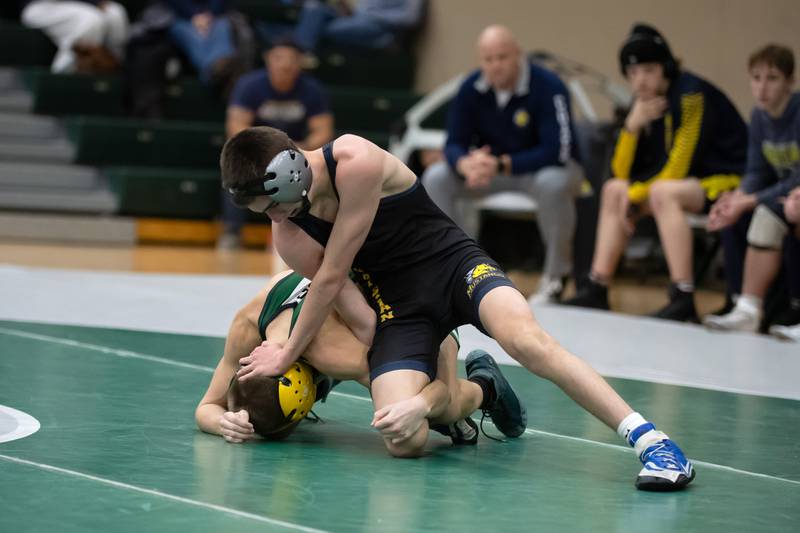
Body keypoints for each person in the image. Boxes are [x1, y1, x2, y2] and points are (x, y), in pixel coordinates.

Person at [220, 126, 695, 491]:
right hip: (397, 310)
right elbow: (357, 311)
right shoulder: (291, 235)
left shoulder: (355, 160)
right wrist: (417, 386)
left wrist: (283, 357)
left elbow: (328, 277)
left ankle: (653, 442)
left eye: (272, 205)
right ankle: (482, 389)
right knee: (401, 439)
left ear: (291, 175)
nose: (272, 218)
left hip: (452, 267)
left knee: (527, 341)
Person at [196, 269, 522, 451]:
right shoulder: (249, 325)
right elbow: (207, 407)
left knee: (427, 420)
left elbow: (437, 388)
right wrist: (222, 422)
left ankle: (486, 386)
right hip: (358, 322)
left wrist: (421, 407)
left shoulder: (338, 354)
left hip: (418, 318)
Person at [564, 23, 748, 322]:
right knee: (614, 190)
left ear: (665, 67)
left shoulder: (691, 94)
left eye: (648, 70)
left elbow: (679, 167)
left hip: (727, 181)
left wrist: (636, 198)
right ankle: (597, 288)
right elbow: (619, 171)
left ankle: (683, 296)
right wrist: (632, 127)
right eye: (633, 73)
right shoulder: (644, 105)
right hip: (684, 185)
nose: (640, 81)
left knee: (662, 192)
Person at [422, 25, 583, 304]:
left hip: (540, 170)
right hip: (490, 172)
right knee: (437, 177)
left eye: (502, 57)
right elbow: (453, 142)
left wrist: (501, 164)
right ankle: (460, 267)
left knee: (553, 183)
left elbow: (558, 150)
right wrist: (465, 165)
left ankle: (556, 278)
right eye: (488, 59)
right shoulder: (471, 86)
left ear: (518, 55)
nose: (495, 66)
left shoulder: (549, 86)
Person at [704, 45, 800, 339]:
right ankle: (746, 307)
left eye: (772, 78)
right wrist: (737, 198)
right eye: (756, 78)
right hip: (784, 195)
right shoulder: (759, 117)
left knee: (765, 212)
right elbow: (756, 170)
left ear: (790, 81)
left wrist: (752, 200)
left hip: (792, 195)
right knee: (738, 215)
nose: (762, 87)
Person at [219, 37, 334, 249]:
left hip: (297, 153)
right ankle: (232, 231)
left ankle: (308, 237)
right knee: (237, 176)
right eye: (279, 58)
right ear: (268, 59)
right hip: (257, 154)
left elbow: (323, 131)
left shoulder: (312, 90)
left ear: (300, 62)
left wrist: (298, 149)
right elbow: (236, 126)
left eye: (292, 59)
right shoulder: (249, 85)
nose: (285, 64)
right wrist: (265, 150)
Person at [20, 0, 129, 73]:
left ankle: (115, 72)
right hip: (41, 5)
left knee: (115, 13)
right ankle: (62, 76)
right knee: (91, 20)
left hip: (80, 4)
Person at [163, 0, 243, 91]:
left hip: (215, 17)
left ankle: (218, 68)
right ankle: (214, 70)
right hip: (180, 18)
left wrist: (208, 15)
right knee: (193, 35)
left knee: (223, 26)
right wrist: (194, 14)